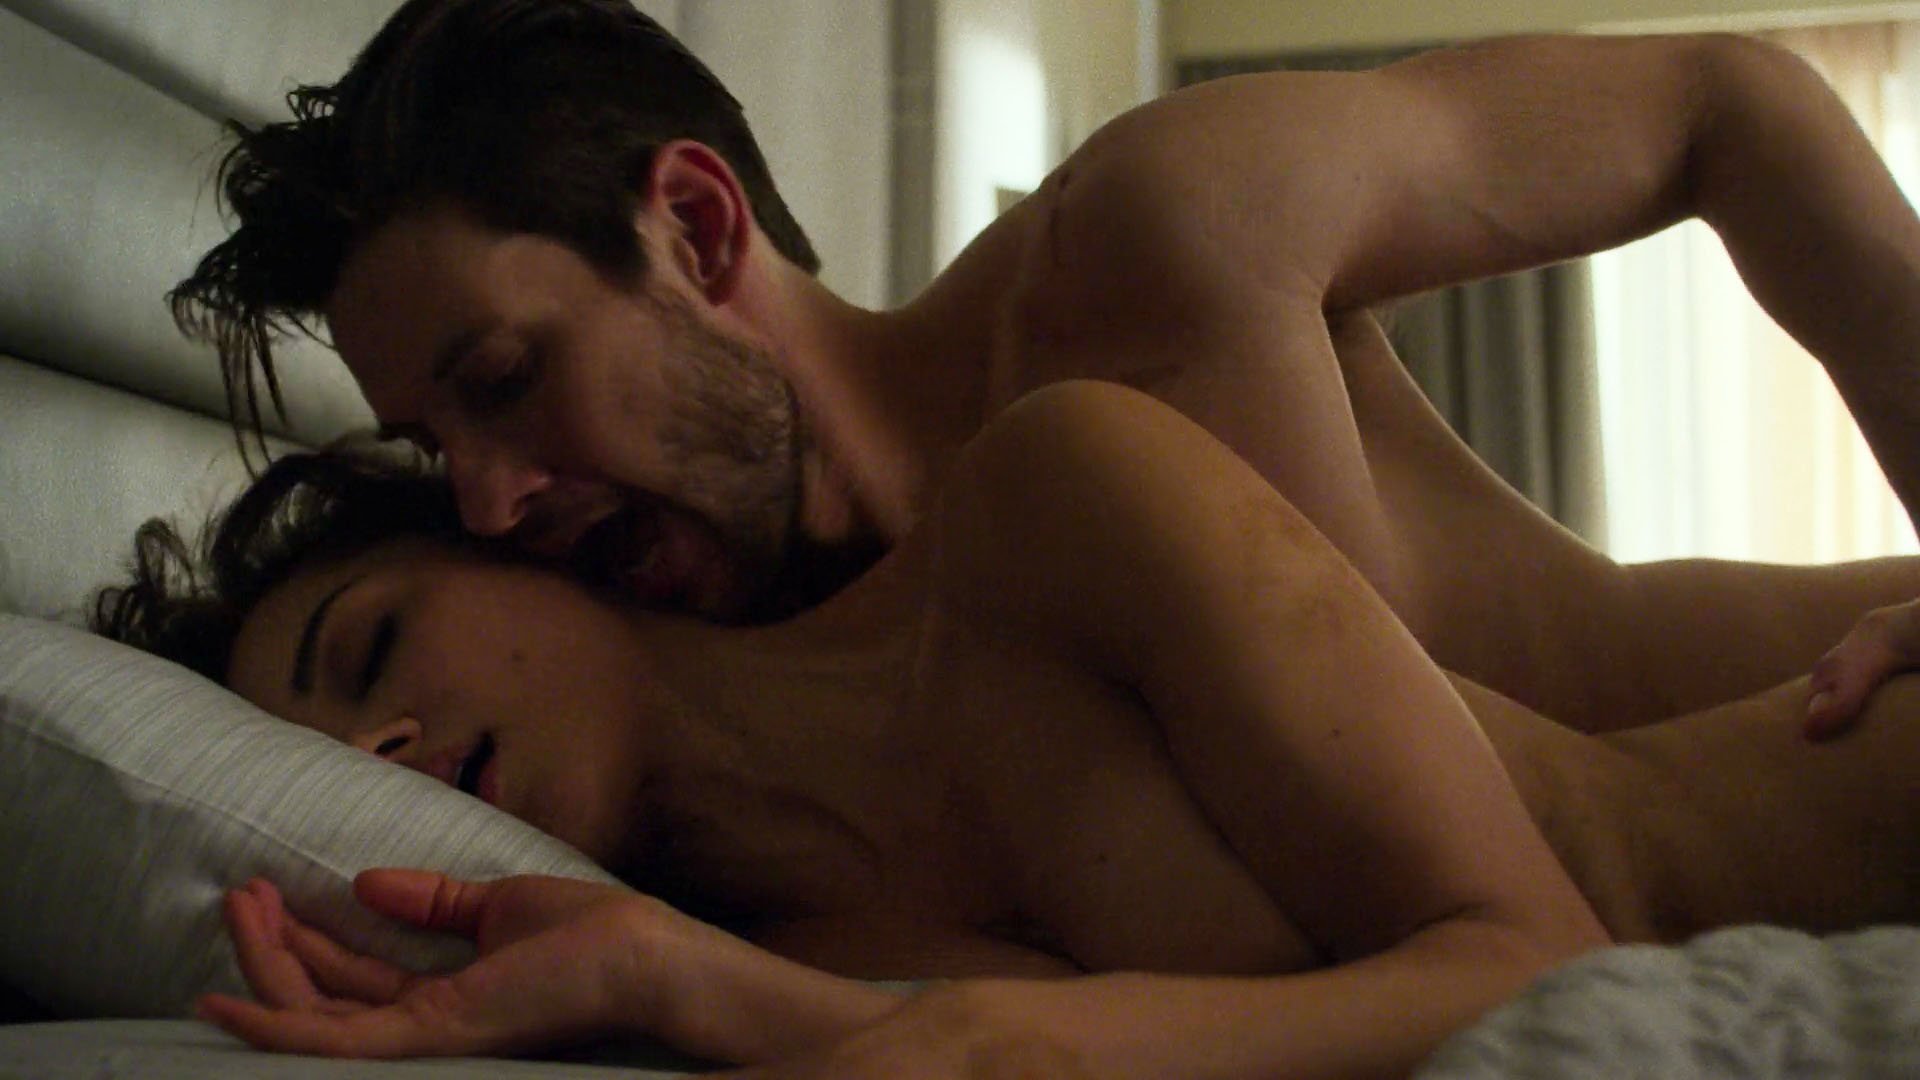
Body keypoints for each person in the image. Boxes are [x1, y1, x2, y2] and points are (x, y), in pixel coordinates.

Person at [170, 0, 1920, 743]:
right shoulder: (705, 687)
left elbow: (1728, 105)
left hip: (1837, 715)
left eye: (500, 377)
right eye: (432, 444)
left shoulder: (1149, 249)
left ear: (696, 229)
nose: (485, 502)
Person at [98, 382, 1920, 1078]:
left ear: (521, 540)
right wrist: (666, 976)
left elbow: (1535, 963)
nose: (393, 750)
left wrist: (983, 1038)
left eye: (373, 648)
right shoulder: (791, 962)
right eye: (337, 761)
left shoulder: (1054, 498)